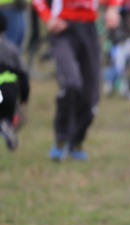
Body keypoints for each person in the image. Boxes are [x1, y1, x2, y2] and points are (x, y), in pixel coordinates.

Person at [32, 0, 121, 161]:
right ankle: (60, 139)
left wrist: (113, 9)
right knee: (71, 84)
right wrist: (48, 17)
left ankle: (76, 141)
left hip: (89, 30)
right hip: (63, 29)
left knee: (91, 95)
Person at [0, 11, 29, 151]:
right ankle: (7, 124)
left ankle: (3, 126)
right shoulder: (12, 49)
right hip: (10, 90)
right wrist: (24, 97)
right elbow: (23, 75)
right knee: (7, 114)